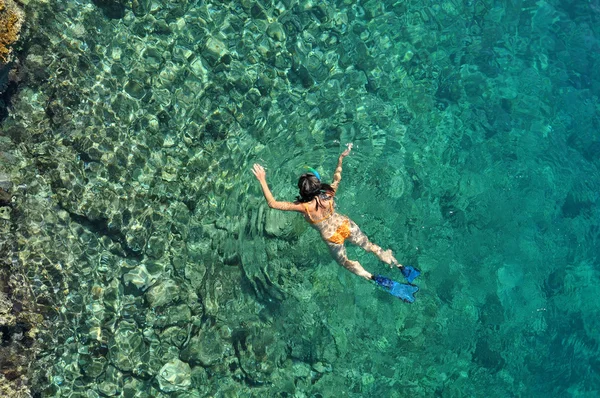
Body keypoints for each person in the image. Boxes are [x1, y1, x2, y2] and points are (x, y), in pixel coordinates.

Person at [252, 143, 420, 302]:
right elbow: (337, 176)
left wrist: (262, 179)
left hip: (332, 237)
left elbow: (273, 204)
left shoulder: (304, 207)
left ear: (303, 192)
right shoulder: (329, 193)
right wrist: (341, 158)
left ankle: (372, 277)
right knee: (370, 246)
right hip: (345, 224)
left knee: (345, 263)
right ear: (318, 185)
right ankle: (401, 267)